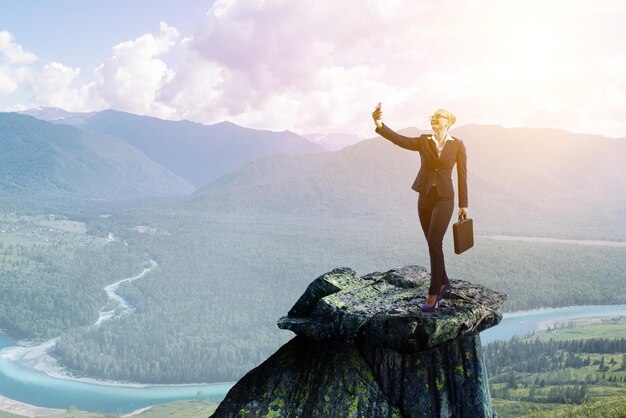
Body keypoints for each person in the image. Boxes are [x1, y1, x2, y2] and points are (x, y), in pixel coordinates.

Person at [372, 104, 468, 312]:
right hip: (424, 198)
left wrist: (464, 204)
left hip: (445, 199)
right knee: (431, 242)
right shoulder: (424, 141)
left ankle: (434, 293)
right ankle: (444, 281)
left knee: (435, 240)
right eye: (432, 116)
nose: (434, 119)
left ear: (449, 122)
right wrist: (379, 124)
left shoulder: (458, 145)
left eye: (439, 116)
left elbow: (462, 175)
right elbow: (401, 140)